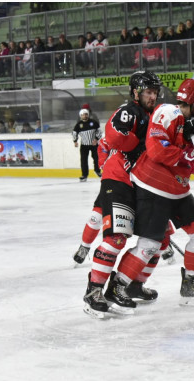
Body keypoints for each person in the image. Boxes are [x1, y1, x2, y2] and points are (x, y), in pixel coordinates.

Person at [107, 78, 194, 311]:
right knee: (150, 243)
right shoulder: (167, 112)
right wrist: (187, 157)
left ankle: (190, 284)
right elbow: (157, 150)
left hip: (178, 189)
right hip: (152, 186)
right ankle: (118, 286)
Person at [81, 71, 165, 317]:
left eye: (155, 92)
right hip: (119, 179)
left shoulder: (156, 116)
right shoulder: (131, 111)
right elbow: (114, 135)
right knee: (117, 237)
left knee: (160, 239)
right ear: (136, 92)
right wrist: (137, 146)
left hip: (142, 184)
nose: (153, 96)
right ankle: (94, 290)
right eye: (148, 92)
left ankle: (134, 285)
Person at [72, 108, 102, 182]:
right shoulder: (78, 125)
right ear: (80, 116)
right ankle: (84, 175)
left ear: (88, 115)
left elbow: (99, 131)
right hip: (84, 145)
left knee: (97, 158)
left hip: (94, 144)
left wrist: (96, 139)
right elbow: (74, 133)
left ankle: (97, 171)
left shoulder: (93, 122)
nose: (84, 116)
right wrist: (75, 141)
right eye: (83, 115)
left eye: (86, 114)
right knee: (83, 160)